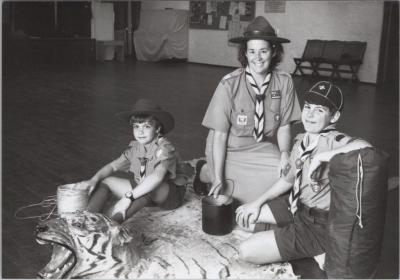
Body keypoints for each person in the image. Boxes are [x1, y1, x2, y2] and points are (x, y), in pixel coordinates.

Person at [235, 81, 371, 265]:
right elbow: (288, 180)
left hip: (317, 224)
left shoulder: (334, 141)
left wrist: (323, 157)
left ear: (334, 116)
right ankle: (292, 234)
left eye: (320, 110)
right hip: (296, 207)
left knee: (247, 251)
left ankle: (318, 247)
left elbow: (367, 148)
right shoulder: (301, 141)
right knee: (246, 218)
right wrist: (256, 202)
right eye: (308, 107)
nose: (310, 114)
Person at [194, 16, 302, 204]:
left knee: (286, 176)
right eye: (252, 51)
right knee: (232, 192)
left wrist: (285, 153)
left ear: (273, 51)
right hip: (226, 146)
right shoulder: (230, 83)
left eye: (263, 51)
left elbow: (284, 126)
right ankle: (206, 172)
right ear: (245, 53)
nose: (257, 58)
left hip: (258, 146)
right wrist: (218, 177)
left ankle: (216, 173)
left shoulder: (284, 81)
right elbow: (219, 135)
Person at [84, 99, 186, 224]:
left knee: (147, 186)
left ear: (158, 129)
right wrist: (94, 179)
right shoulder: (134, 148)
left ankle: (112, 224)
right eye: (136, 127)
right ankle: (86, 218)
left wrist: (128, 198)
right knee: (106, 181)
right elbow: (112, 166)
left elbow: (157, 177)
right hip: (145, 190)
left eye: (147, 126)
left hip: (170, 196)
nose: (140, 131)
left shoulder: (164, 147)